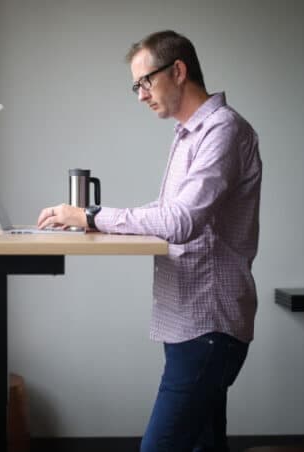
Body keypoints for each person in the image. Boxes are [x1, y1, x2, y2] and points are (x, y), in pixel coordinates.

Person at [37, 30, 261, 452]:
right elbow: (168, 211)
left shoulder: (223, 131)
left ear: (178, 71)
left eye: (145, 82)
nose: (140, 95)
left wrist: (90, 214)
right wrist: (92, 222)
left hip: (208, 325)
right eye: (135, 85)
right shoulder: (189, 134)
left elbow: (179, 221)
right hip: (190, 322)